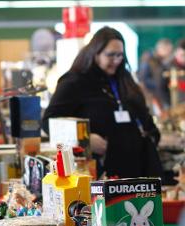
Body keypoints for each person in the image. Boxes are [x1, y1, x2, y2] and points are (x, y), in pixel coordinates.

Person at [43, 26, 161, 179]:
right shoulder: (74, 82)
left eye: (120, 55)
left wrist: (152, 136)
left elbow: (144, 116)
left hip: (137, 171)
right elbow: (49, 122)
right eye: (111, 55)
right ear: (95, 53)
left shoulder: (125, 80)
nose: (117, 61)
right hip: (100, 174)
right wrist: (84, 140)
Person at [138, 38, 172, 112]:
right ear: (162, 48)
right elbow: (143, 79)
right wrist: (158, 85)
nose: (170, 53)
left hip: (161, 96)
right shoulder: (148, 59)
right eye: (168, 50)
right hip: (153, 97)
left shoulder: (162, 61)